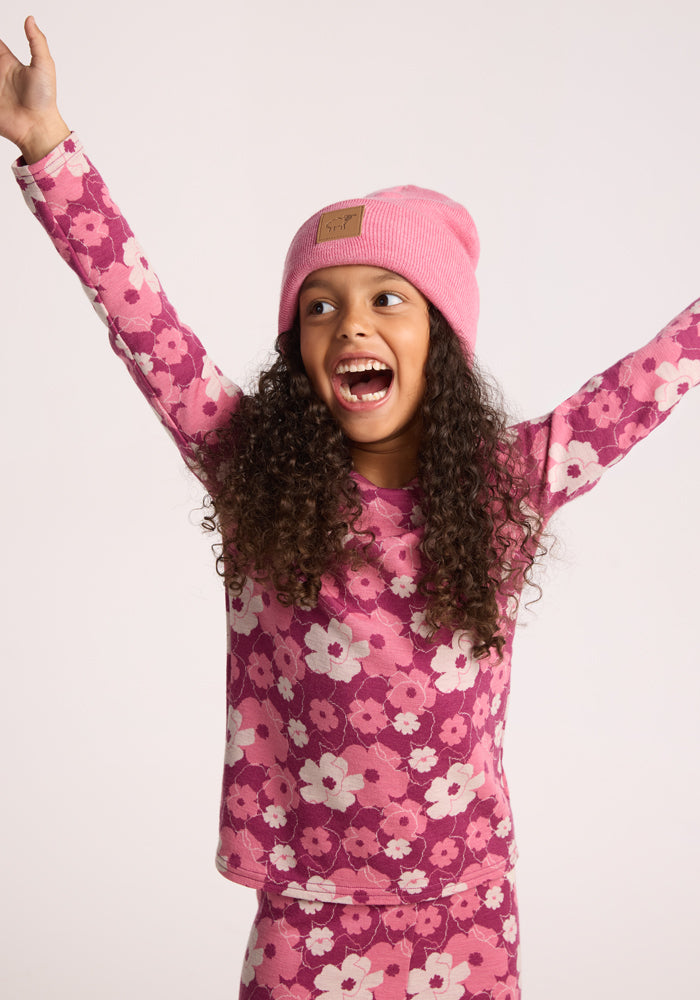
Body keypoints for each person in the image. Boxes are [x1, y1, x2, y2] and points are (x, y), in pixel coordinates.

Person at [2, 16, 698, 1000]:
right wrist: (49, 151)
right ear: (297, 353)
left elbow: (644, 383)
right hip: (308, 899)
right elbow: (140, 316)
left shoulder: (509, 483)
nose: (350, 324)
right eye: (319, 306)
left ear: (441, 343)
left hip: (464, 897)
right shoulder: (252, 468)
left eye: (387, 300)